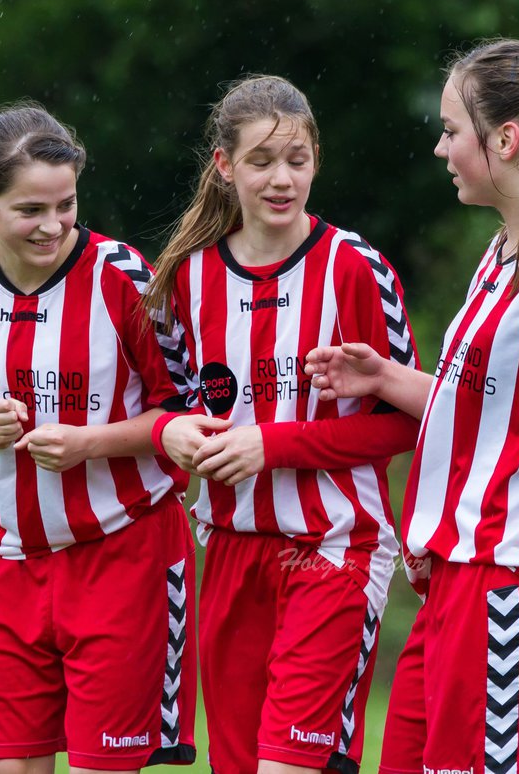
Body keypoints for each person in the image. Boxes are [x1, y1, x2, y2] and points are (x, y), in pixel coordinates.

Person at [305, 38, 519, 774]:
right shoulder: (502, 255)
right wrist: (387, 377)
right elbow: (497, 418)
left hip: (507, 590)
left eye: (452, 129)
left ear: (506, 139)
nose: (441, 147)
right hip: (453, 585)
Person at [143, 74, 421, 774]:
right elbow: (168, 406)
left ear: (317, 158)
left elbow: (405, 425)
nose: (281, 179)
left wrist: (273, 445)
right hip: (232, 551)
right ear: (224, 165)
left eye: (296, 160)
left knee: (291, 764)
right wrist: (168, 433)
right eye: (261, 162)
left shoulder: (356, 270)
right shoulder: (188, 278)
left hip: (332, 549)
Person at [0, 102, 198, 774]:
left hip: (122, 555)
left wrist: (87, 443)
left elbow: (183, 419)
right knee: (7, 765)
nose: (52, 226)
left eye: (65, 205)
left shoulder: (123, 278)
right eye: (30, 211)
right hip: (9, 559)